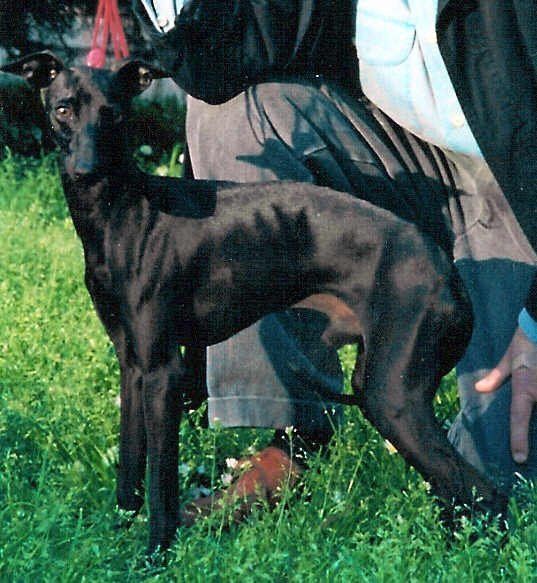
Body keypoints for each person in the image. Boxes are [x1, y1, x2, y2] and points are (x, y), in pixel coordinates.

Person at [133, 0, 537, 522]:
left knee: (500, 480)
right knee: (236, 111)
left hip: (520, 194)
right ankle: (295, 435)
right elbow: (220, 64)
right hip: (403, 157)